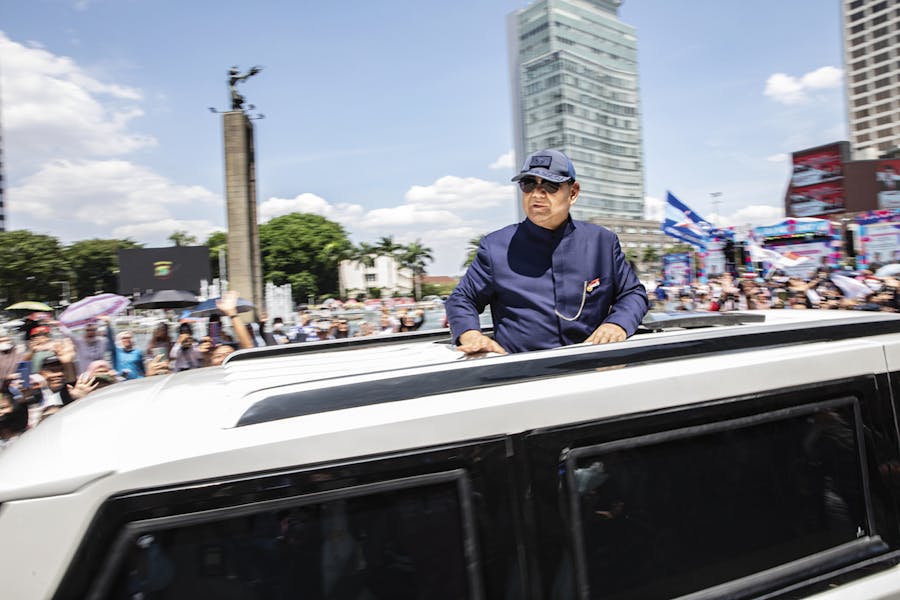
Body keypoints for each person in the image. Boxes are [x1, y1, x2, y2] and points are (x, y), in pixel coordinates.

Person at [446, 149, 648, 354]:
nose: (537, 194)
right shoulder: (495, 247)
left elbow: (633, 293)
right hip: (522, 372)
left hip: (592, 365)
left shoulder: (602, 242)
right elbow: (462, 298)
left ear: (573, 193)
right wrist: (471, 334)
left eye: (550, 185)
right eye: (528, 184)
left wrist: (616, 325)